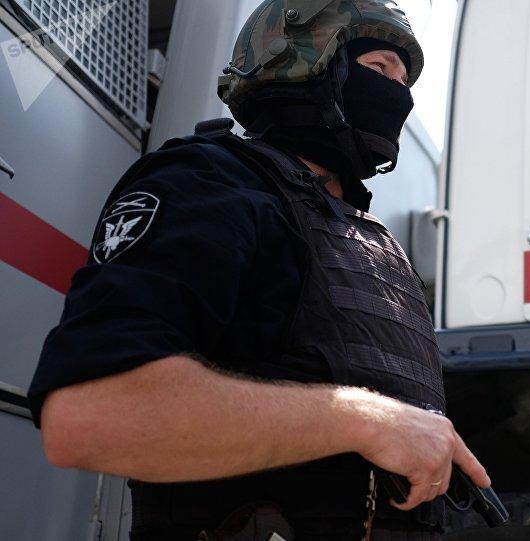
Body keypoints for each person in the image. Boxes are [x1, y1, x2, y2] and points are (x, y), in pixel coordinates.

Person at [26, 1, 490, 539]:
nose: (397, 94)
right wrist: (367, 421)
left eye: (404, 81)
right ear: (301, 63)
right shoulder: (211, 182)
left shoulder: (367, 236)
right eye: (379, 69)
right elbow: (89, 414)